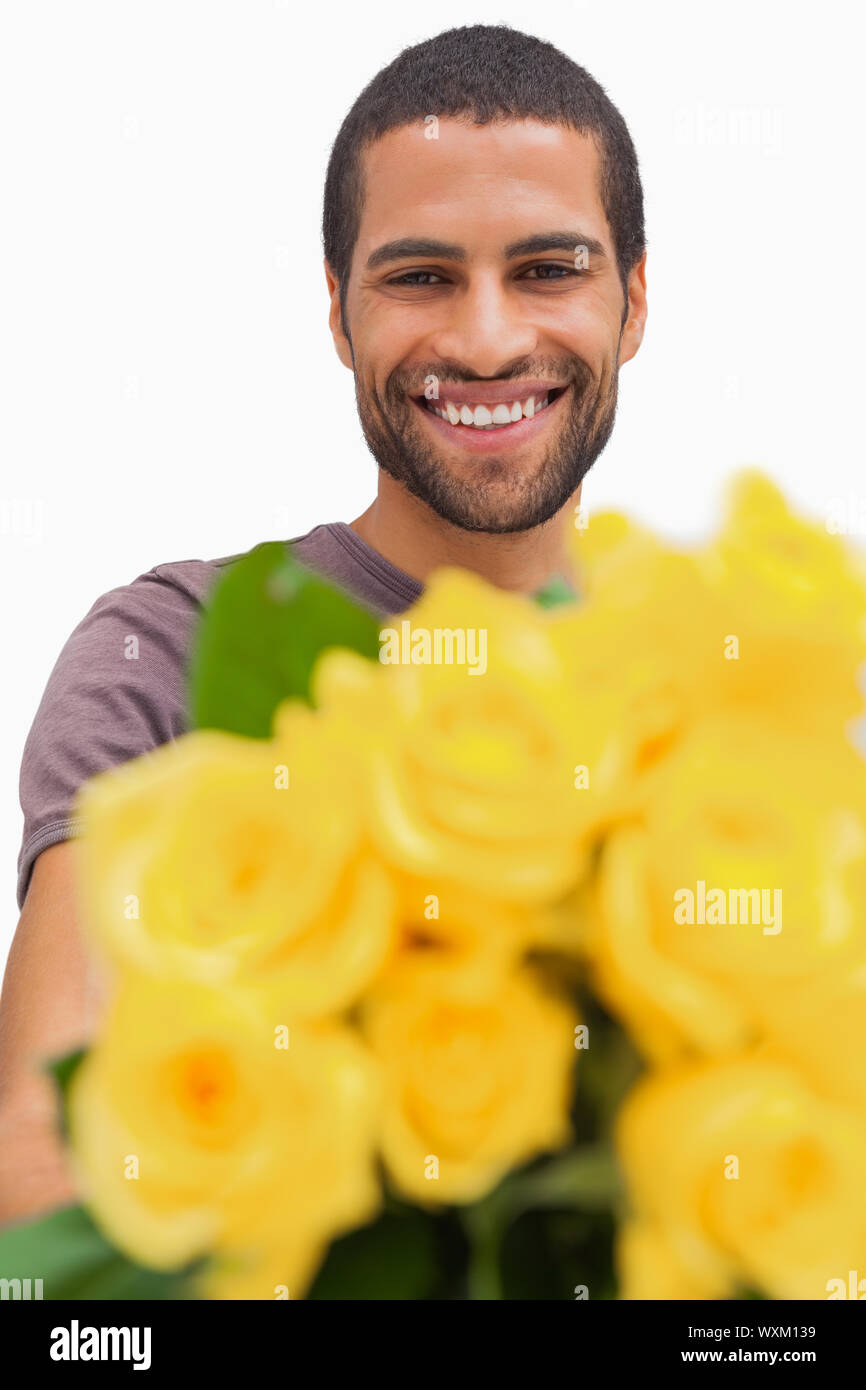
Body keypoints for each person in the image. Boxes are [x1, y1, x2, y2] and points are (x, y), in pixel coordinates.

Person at [0, 24, 647, 1221]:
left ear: (634, 301)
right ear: (339, 317)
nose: (488, 338)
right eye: (419, 277)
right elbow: (41, 1164)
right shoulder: (170, 653)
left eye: (548, 269)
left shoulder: (719, 696)